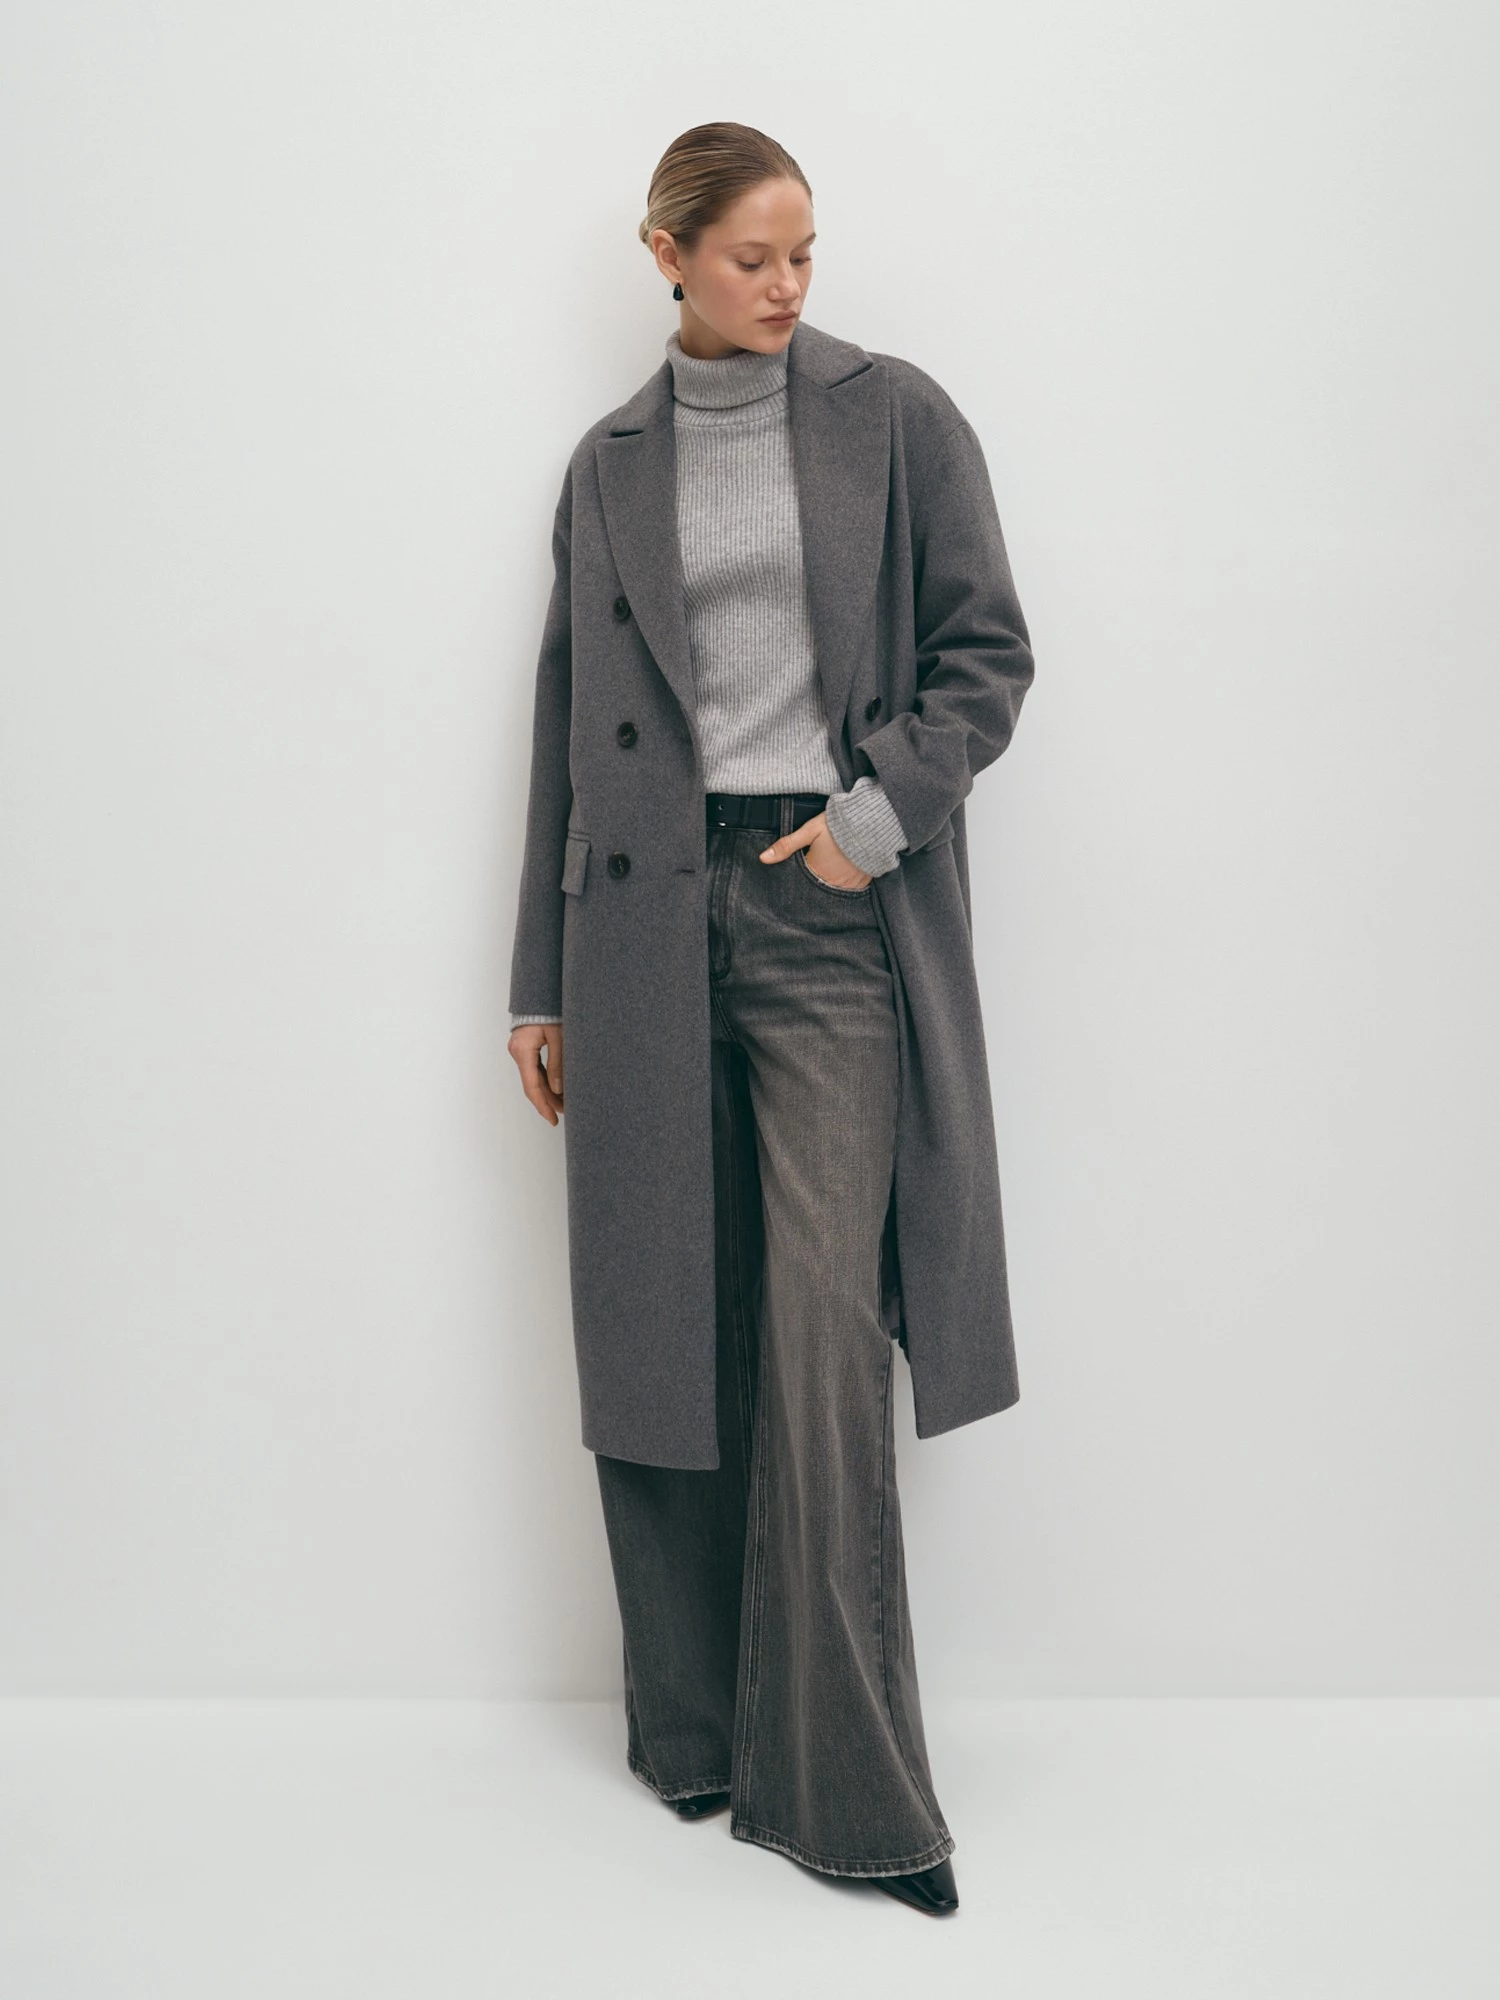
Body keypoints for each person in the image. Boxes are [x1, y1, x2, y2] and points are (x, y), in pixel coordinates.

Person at [507, 122, 1035, 1917]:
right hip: (644, 930)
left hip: (826, 907)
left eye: (807, 252)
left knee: (822, 1323)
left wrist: (872, 822)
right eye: (753, 258)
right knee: (671, 1320)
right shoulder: (609, 465)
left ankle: (858, 1798)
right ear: (666, 254)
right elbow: (566, 725)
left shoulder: (898, 417)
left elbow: (987, 654)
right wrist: (538, 978)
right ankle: (703, 1739)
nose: (791, 284)